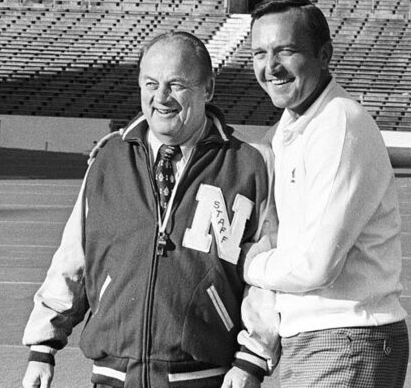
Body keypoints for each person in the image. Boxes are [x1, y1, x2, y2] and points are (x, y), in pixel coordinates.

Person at [21, 31, 279, 388]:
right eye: (150, 83)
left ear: (208, 88)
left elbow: (265, 275)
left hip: (205, 377)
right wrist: (42, 346)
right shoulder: (108, 160)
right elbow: (72, 261)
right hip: (112, 375)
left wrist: (252, 358)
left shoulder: (248, 167)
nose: (161, 98)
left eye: (176, 84)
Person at [244, 0, 409, 388]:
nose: (271, 67)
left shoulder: (339, 123)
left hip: (346, 335)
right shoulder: (288, 129)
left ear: (324, 55)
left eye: (286, 50)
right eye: (259, 54)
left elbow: (317, 266)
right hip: (318, 338)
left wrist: (247, 265)